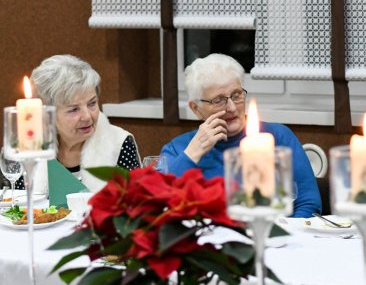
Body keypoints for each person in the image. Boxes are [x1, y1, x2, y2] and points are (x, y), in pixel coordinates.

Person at [161, 53, 320, 218]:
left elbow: (308, 203)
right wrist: (193, 153)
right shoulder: (178, 149)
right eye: (218, 100)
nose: (231, 107)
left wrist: (283, 237)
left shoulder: (278, 137)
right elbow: (160, 207)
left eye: (236, 95)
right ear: (195, 109)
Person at [14, 55, 140, 195]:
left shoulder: (119, 143)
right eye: (74, 109)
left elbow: (134, 205)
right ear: (48, 115)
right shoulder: (30, 144)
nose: (87, 116)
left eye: (92, 103)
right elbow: (19, 202)